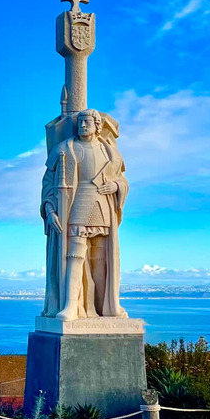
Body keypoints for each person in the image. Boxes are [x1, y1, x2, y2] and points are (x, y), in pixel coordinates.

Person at [41, 108, 128, 320]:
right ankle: (71, 305)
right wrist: (50, 209)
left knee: (101, 258)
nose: (82, 126)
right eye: (80, 122)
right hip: (77, 204)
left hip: (104, 206)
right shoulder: (65, 149)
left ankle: (107, 306)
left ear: (97, 125)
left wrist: (116, 186)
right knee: (75, 255)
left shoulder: (110, 153)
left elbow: (122, 180)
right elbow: (48, 184)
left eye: (87, 122)